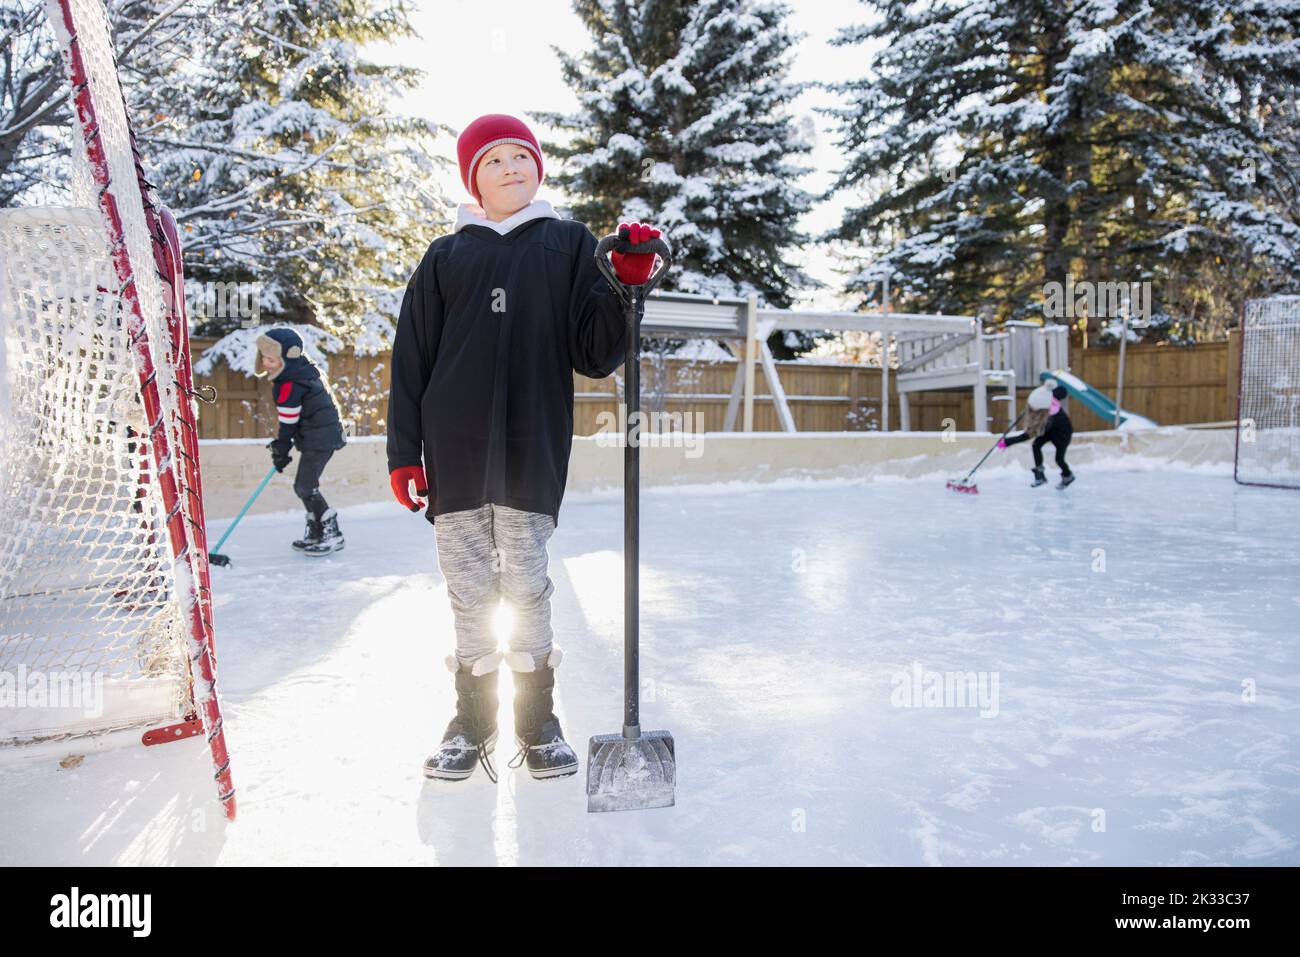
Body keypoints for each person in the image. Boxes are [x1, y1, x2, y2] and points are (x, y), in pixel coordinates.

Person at [385, 113, 667, 782]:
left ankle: (538, 721)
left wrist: (626, 277)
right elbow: (410, 359)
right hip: (452, 451)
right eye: (493, 160)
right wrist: (404, 451)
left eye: (522, 155)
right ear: (472, 180)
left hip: (530, 444)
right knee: (470, 586)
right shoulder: (445, 255)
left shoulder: (568, 243)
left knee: (526, 582)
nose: (512, 167)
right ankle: (472, 722)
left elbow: (595, 353)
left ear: (538, 167)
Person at [256, 327, 348, 554]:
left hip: (321, 439)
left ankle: (331, 534)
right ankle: (317, 531)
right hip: (319, 436)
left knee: (305, 486)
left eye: (272, 359)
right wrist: (282, 448)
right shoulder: (301, 373)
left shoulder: (291, 383)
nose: (266, 363)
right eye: (264, 358)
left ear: (288, 357)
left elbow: (289, 423)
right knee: (304, 486)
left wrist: (282, 448)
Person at [1000, 382, 1075, 489]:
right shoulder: (1047, 399)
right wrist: (1049, 388)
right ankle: (1040, 476)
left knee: (1059, 459)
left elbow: (1027, 435)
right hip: (1051, 430)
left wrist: (1006, 442)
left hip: (1063, 433)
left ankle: (1068, 476)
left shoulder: (1048, 419)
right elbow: (1061, 391)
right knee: (1036, 445)